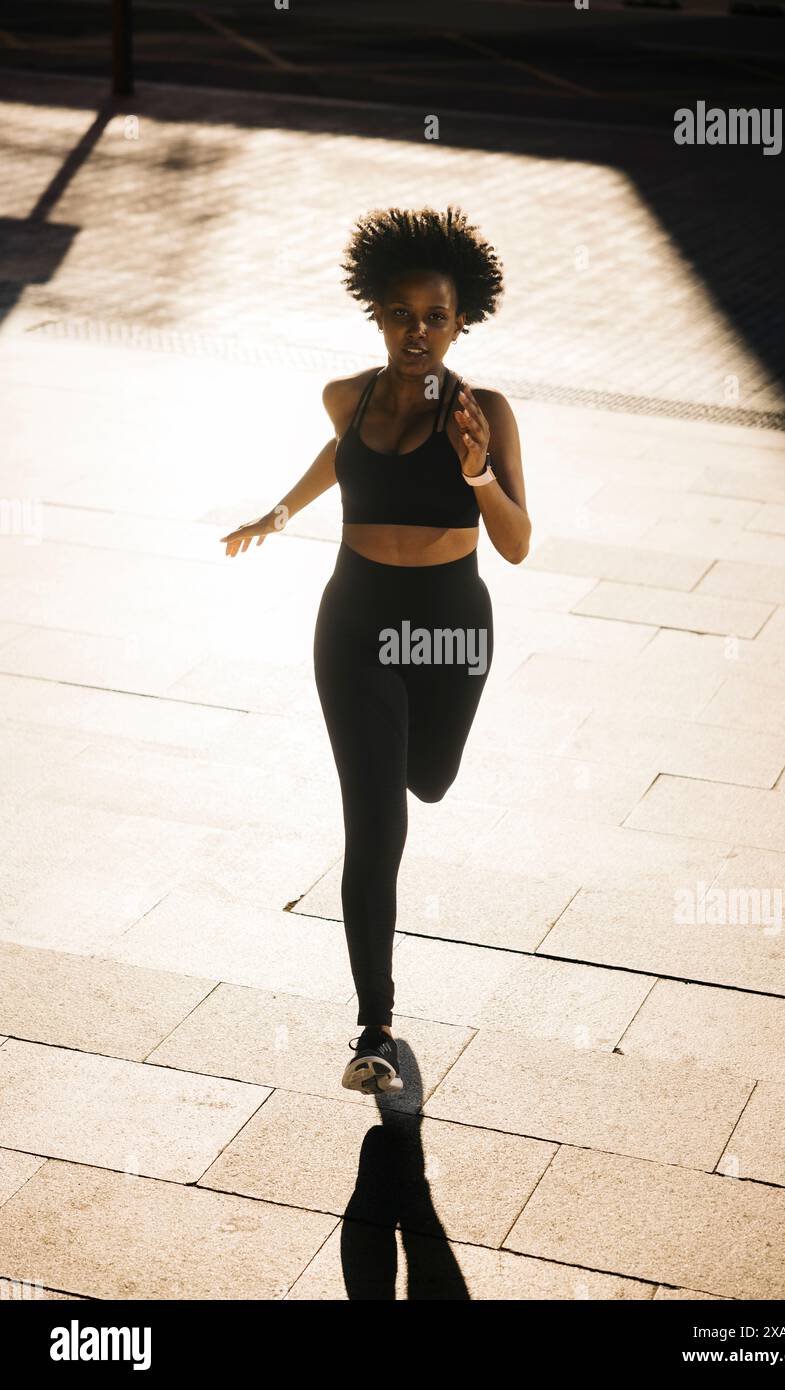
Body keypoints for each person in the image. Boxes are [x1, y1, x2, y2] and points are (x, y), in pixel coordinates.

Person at [221, 206, 531, 1095]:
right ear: (376, 313)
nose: (417, 332)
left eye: (435, 316)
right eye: (401, 314)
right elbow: (340, 454)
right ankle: (374, 1024)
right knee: (374, 822)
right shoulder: (347, 395)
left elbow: (514, 544)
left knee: (426, 779)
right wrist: (276, 515)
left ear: (462, 317)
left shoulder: (487, 412)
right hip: (354, 620)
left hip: (447, 625)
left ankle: (408, 763)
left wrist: (475, 471)